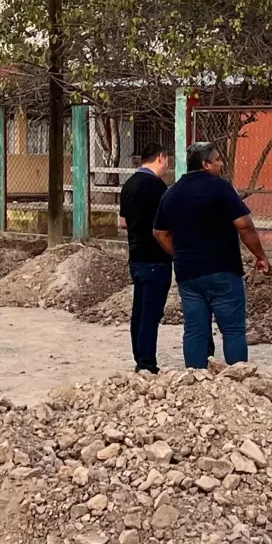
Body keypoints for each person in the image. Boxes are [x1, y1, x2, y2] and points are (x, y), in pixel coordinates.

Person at [152, 140, 270, 370]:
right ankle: (239, 379)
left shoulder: (172, 193)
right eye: (217, 160)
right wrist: (260, 256)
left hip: (188, 273)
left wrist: (179, 255)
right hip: (222, 270)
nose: (221, 163)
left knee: (195, 329)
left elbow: (159, 232)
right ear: (205, 164)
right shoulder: (221, 187)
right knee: (233, 329)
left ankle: (197, 382)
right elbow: (244, 225)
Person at [117, 146, 174, 373]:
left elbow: (122, 222)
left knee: (139, 311)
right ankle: (147, 364)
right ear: (161, 157)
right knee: (151, 313)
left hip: (136, 256)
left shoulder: (129, 184)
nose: (168, 165)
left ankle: (139, 356)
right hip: (156, 257)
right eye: (167, 159)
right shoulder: (157, 187)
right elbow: (167, 223)